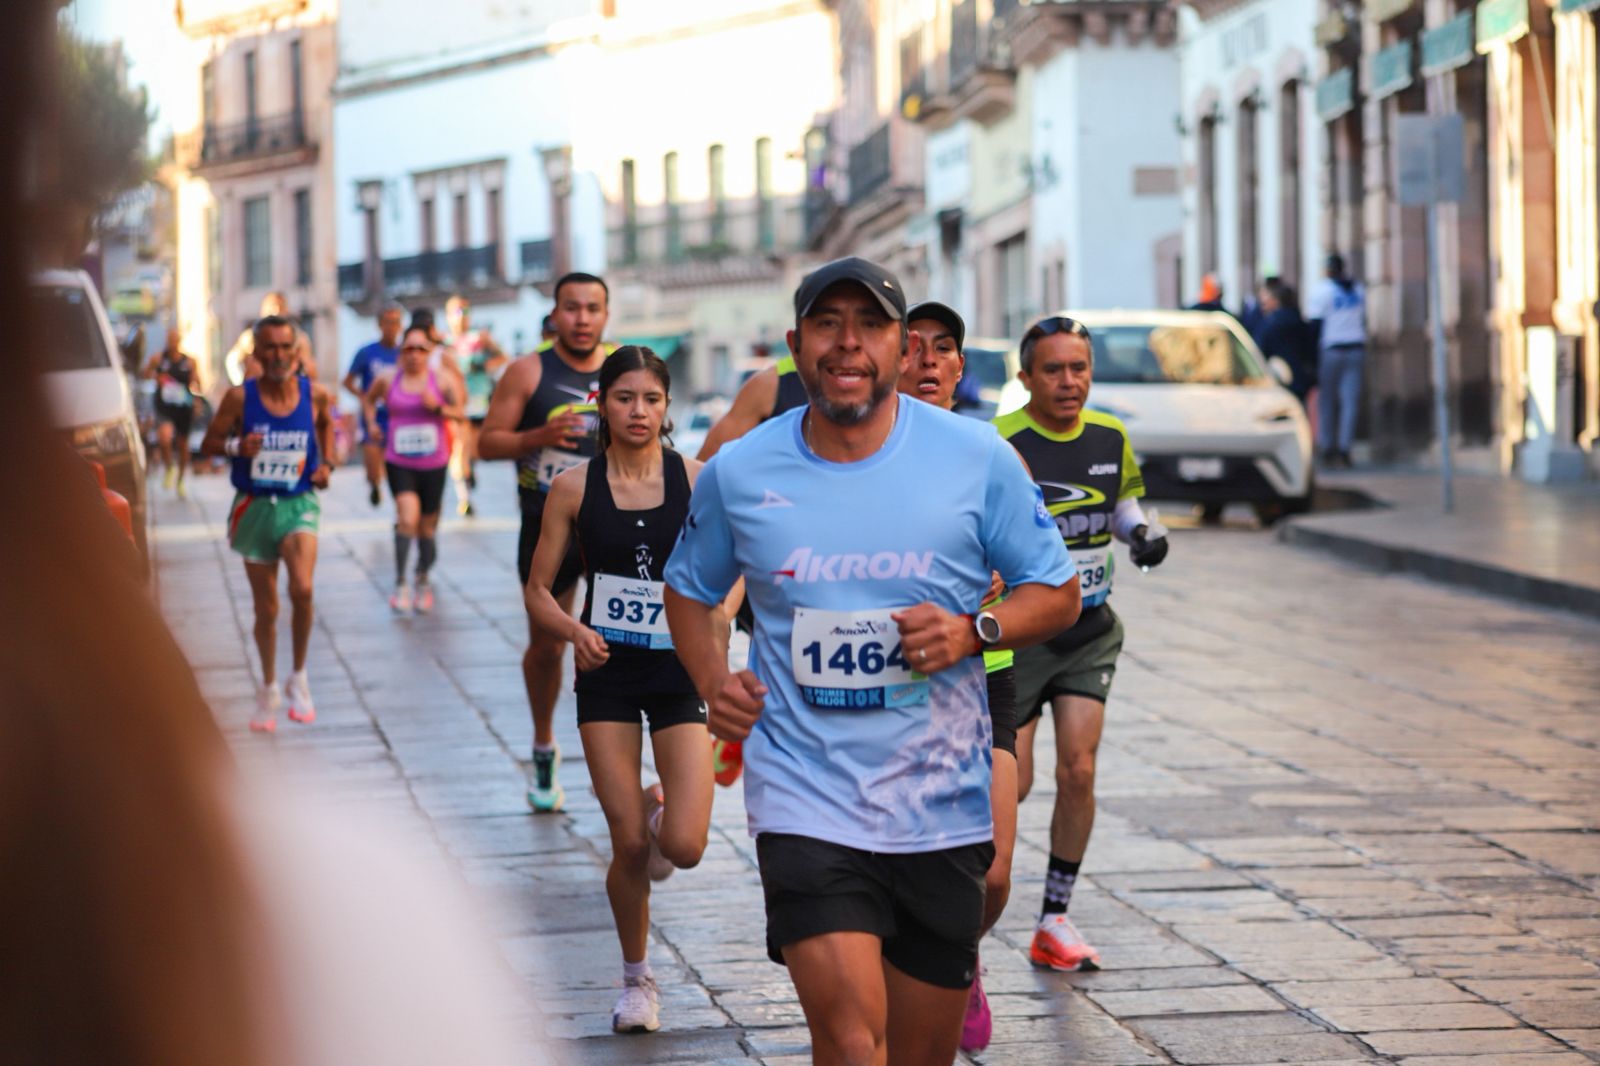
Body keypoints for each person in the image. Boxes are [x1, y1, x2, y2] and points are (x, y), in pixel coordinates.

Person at [663, 257, 1081, 1065]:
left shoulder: (976, 456)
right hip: (803, 796)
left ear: (903, 346)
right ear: (795, 346)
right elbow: (687, 589)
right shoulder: (741, 471)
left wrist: (972, 632)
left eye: (870, 325)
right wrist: (712, 680)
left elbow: (1057, 593)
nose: (848, 343)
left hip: (939, 803)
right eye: (827, 324)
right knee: (853, 1042)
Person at [525, 346, 717, 1035]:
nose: (639, 411)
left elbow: (736, 566)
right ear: (601, 404)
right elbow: (538, 589)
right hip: (606, 670)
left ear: (667, 408)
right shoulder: (573, 488)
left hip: (678, 670)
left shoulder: (696, 480)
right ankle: (638, 981)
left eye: (652, 400)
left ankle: (660, 806)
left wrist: (718, 617)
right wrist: (573, 631)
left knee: (685, 846)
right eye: (625, 398)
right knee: (629, 845)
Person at [994, 315, 1170, 974]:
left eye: (1079, 368)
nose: (1070, 382)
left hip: (1088, 632)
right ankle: (963, 898)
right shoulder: (999, 442)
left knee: (1079, 770)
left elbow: (1121, 505)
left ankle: (1054, 919)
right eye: (1054, 370)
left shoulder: (1109, 435)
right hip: (1020, 638)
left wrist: (1141, 533)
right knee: (1012, 783)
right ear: (1025, 378)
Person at [900, 299, 1020, 1054]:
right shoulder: (855, 453)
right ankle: (913, 967)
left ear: (959, 367)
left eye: (943, 348)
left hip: (983, 676)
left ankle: (960, 958)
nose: (929, 361)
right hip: (890, 685)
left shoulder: (989, 453)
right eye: (913, 346)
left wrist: (1002, 584)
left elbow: (1041, 571)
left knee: (996, 872)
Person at [478, 272, 611, 812]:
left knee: (621, 642)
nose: (582, 319)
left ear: (606, 315)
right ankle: (543, 745)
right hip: (547, 528)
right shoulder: (528, 371)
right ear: (555, 315)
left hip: (612, 527)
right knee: (549, 645)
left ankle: (617, 753)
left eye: (593, 308)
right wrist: (540, 436)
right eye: (572, 308)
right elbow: (487, 443)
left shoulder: (624, 367)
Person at [200, 315, 336, 733]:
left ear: (296, 352)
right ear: (256, 353)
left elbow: (327, 423)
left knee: (303, 589)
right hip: (255, 506)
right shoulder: (240, 398)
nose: (278, 355)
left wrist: (327, 464)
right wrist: (237, 446)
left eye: (285, 347)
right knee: (267, 608)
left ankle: (299, 677)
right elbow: (207, 444)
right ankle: (268, 685)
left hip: (298, 503)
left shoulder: (315, 394)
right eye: (270, 347)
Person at [365, 325, 465, 614]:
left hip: (434, 463)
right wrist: (372, 424)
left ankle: (422, 577)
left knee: (427, 527)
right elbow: (369, 400)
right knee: (407, 518)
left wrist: (439, 408)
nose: (414, 355)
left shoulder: (441, 379)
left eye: (421, 349)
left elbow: (461, 413)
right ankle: (400, 583)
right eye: (409, 348)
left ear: (429, 352)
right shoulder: (388, 379)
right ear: (401, 352)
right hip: (399, 461)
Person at [446, 295, 509, 515]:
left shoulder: (480, 338)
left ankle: (469, 472)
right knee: (460, 447)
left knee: (473, 449)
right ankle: (463, 496)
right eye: (456, 312)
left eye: (465, 312)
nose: (461, 317)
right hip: (455, 405)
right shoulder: (445, 343)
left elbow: (503, 357)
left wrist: (484, 365)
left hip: (478, 402)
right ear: (448, 316)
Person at [1307, 253, 1367, 468]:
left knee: (1327, 401)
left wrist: (1311, 359)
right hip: (1356, 347)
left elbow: (1315, 326)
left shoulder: (1322, 290)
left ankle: (1328, 446)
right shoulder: (1357, 289)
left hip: (1332, 348)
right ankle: (1344, 447)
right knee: (1350, 401)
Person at [343, 303, 404, 507]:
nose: (391, 327)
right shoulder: (366, 352)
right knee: (372, 463)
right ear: (379, 325)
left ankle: (399, 495)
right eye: (387, 322)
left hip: (397, 416)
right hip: (373, 416)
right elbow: (347, 382)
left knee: (396, 463)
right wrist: (363, 397)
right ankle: (374, 484)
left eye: (395, 322)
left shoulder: (405, 353)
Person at [144, 324, 199, 497]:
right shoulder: (159, 359)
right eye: (170, 339)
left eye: (175, 339)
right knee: (164, 437)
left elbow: (197, 382)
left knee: (183, 445)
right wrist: (155, 375)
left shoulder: (189, 361)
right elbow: (145, 374)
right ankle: (169, 467)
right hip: (164, 406)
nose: (172, 342)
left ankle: (181, 480)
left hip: (183, 407)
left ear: (179, 341)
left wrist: (197, 400)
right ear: (167, 340)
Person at [1252, 277, 1316, 404]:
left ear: (1276, 300)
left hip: (1276, 379)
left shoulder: (1269, 323)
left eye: (1266, 299)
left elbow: (1258, 350)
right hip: (1299, 379)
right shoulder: (1299, 321)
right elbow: (1310, 350)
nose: (1263, 303)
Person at [225, 292, 298, 385]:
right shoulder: (250, 336)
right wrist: (241, 383)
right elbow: (232, 361)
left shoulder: (299, 337)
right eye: (273, 306)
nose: (277, 311)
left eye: (281, 307)